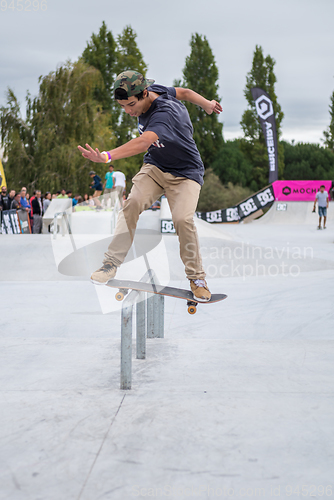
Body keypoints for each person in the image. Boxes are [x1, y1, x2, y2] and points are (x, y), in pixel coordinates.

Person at [78, 70, 222, 302]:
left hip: (186, 173)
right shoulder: (155, 89)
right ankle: (110, 265)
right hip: (155, 166)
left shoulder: (165, 112)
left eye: (132, 105)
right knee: (132, 203)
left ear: (145, 94)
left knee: (183, 220)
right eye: (123, 106)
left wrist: (106, 157)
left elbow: (144, 142)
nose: (128, 111)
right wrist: (207, 104)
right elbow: (183, 91)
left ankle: (197, 278)